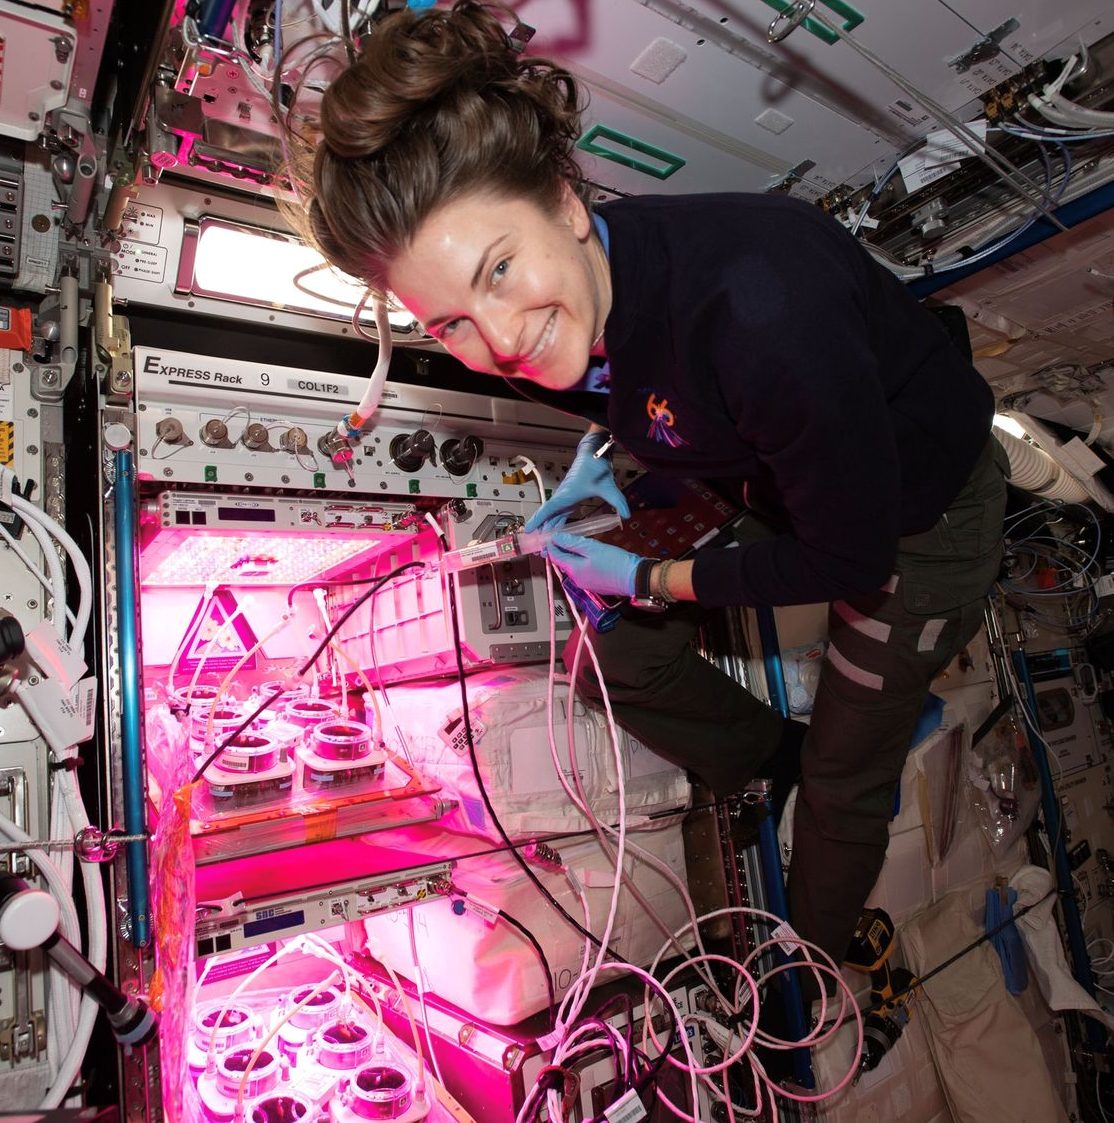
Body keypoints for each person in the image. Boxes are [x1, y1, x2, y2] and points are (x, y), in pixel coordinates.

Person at [297, 1, 1008, 984]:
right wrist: (611, 472)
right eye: (453, 322)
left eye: (500, 271)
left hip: (916, 519)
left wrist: (659, 571)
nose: (499, 339)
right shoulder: (560, 300)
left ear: (561, 200)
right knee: (614, 649)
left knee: (850, 779)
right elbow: (644, 385)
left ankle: (819, 968)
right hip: (758, 462)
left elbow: (850, 561)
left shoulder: (762, 307)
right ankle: (780, 760)